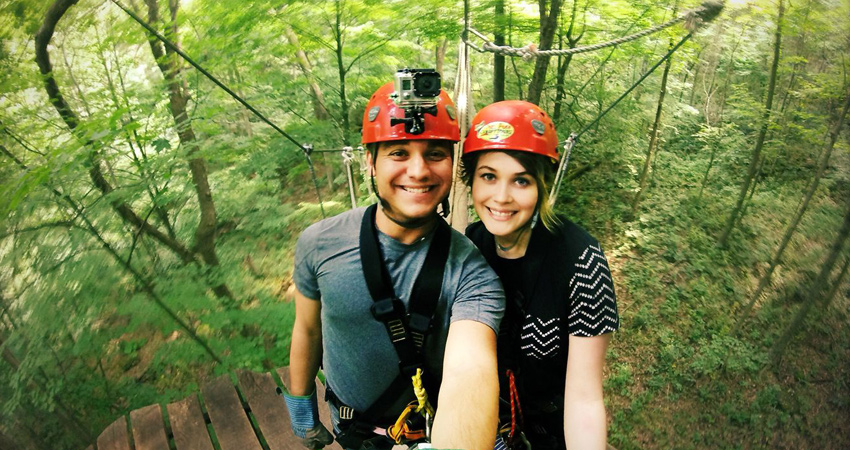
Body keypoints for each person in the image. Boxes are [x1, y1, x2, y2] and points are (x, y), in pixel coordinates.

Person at [284, 78, 504, 450]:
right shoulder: (319, 244)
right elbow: (307, 329)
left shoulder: (471, 272)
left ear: (451, 164)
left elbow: (472, 369)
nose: (418, 171)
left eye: (435, 153)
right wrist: (301, 407)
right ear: (370, 162)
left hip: (428, 434)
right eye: (399, 152)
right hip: (352, 432)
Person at [461, 100, 620, 450]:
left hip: (553, 432)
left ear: (542, 186)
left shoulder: (580, 260)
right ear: (471, 180)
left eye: (521, 180)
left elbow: (585, 397)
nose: (501, 197)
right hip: (487, 424)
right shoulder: (469, 247)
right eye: (489, 176)